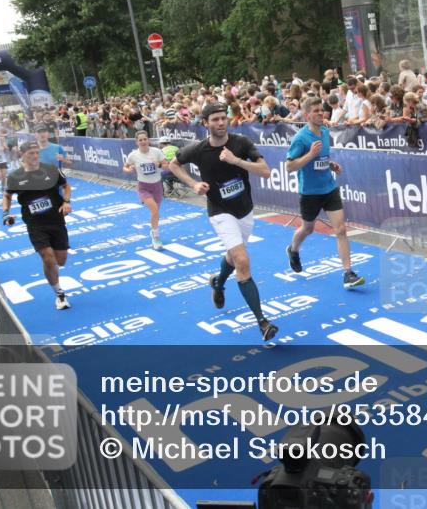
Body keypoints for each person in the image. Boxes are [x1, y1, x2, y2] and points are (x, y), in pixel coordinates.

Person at [167, 103, 277, 341]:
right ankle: (262, 322)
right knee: (242, 260)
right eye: (215, 119)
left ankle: (218, 283)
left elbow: (265, 171)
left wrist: (237, 161)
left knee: (232, 256)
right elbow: (173, 165)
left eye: (223, 118)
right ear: (205, 123)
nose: (220, 123)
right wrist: (193, 184)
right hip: (219, 211)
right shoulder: (197, 150)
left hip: (245, 210)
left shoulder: (241, 143)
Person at [283, 98, 366, 290]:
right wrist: (309, 155)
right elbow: (289, 166)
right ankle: (293, 250)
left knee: (341, 229)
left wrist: (330, 165)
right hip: (310, 193)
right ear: (307, 115)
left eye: (322, 110)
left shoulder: (326, 132)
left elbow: (322, 158)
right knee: (307, 228)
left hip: (329, 188)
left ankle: (348, 273)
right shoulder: (301, 138)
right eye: (316, 111)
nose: (321, 113)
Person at [3, 142, 73, 310]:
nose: (34, 156)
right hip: (35, 224)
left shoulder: (50, 169)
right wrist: (6, 214)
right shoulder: (15, 177)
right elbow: (7, 196)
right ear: (22, 155)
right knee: (48, 258)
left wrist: (66, 202)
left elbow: (66, 186)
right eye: (31, 153)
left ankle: (53, 272)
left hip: (56, 221)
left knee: (60, 260)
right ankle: (59, 294)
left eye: (36, 153)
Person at [123, 131, 168, 250]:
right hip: (143, 187)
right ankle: (156, 236)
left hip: (157, 186)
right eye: (140, 140)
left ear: (148, 140)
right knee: (154, 209)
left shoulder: (157, 152)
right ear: (137, 142)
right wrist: (129, 170)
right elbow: (125, 167)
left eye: (145, 139)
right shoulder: (133, 155)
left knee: (156, 212)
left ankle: (153, 230)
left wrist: (157, 164)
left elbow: (166, 166)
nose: (143, 142)